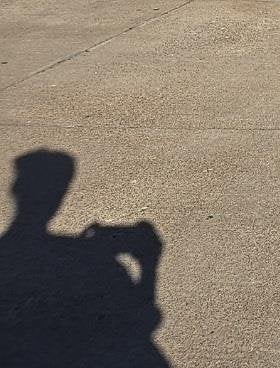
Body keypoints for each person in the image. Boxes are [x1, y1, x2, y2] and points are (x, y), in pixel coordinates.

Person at [0, 149, 169, 367]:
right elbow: (138, 323)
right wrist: (149, 263)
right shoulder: (96, 262)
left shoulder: (85, 256)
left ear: (15, 190)